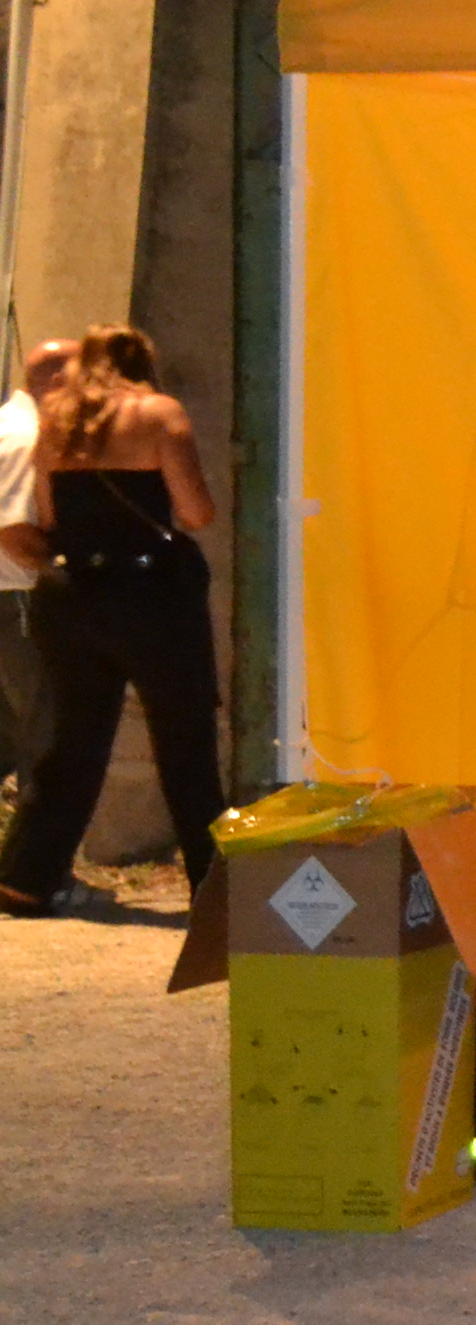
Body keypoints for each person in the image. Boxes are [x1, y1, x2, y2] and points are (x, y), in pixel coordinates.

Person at [0, 325, 225, 915]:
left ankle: (25, 879)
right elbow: (196, 511)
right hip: (153, 595)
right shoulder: (159, 414)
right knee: (184, 738)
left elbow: (50, 515)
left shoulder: (55, 423)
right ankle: (213, 888)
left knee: (74, 741)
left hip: (71, 593)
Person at [0, 339, 68, 784]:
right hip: (19, 599)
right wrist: (67, 573)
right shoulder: (27, 437)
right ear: (59, 382)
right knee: (45, 731)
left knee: (13, 733)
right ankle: (40, 824)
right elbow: (14, 532)